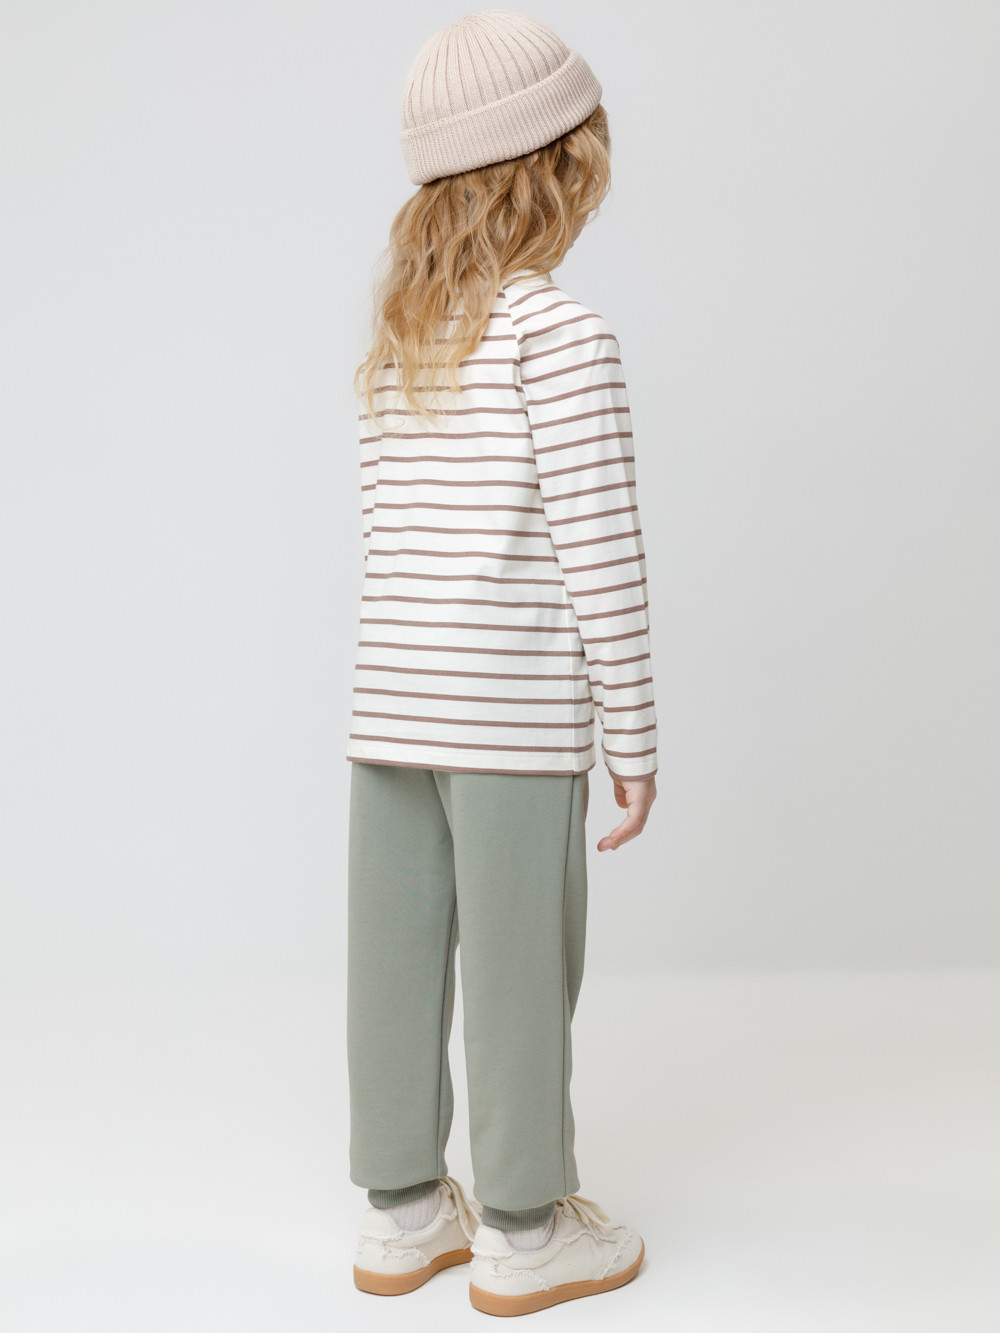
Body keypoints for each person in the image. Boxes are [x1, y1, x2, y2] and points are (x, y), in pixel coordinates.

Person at [345, 9, 659, 1316]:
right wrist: (634, 741)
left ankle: (405, 1214)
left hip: (389, 710)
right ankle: (527, 1231)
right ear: (564, 167)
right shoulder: (563, 337)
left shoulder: (400, 339)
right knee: (521, 971)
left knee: (393, 963)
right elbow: (603, 554)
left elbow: (386, 534)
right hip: (511, 720)